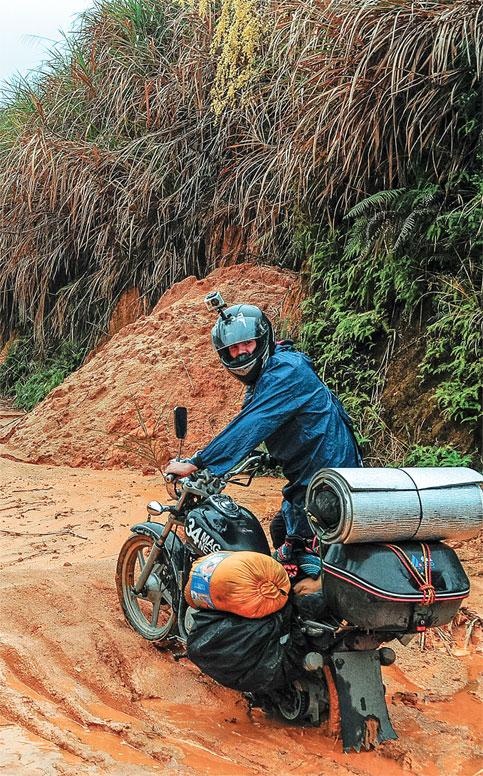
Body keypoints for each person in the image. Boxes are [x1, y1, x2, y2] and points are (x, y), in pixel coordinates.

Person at [164, 296, 362, 593]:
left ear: (263, 339)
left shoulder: (286, 371)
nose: (242, 352)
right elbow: (268, 424)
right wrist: (262, 458)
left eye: (248, 344)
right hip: (314, 476)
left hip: (323, 481)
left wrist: (199, 461)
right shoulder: (270, 376)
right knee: (280, 528)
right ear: (225, 354)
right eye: (233, 347)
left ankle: (305, 602)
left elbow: (252, 424)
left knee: (295, 550)